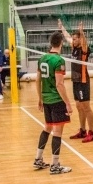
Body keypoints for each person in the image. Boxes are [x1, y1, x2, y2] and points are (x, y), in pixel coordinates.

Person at [33, 31, 73, 174]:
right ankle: (55, 165)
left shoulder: (42, 58)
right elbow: (59, 85)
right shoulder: (59, 61)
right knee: (57, 131)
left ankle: (38, 159)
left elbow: (37, 80)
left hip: (46, 99)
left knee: (47, 128)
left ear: (51, 43)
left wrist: (40, 98)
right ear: (61, 43)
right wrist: (67, 103)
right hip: (56, 100)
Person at [59, 20, 93, 142]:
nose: (73, 41)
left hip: (83, 81)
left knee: (86, 107)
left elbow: (84, 42)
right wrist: (62, 27)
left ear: (80, 40)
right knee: (79, 106)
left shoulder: (84, 49)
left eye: (76, 39)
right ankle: (82, 130)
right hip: (75, 80)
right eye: (73, 39)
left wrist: (81, 32)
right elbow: (68, 37)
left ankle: (91, 132)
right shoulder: (74, 48)